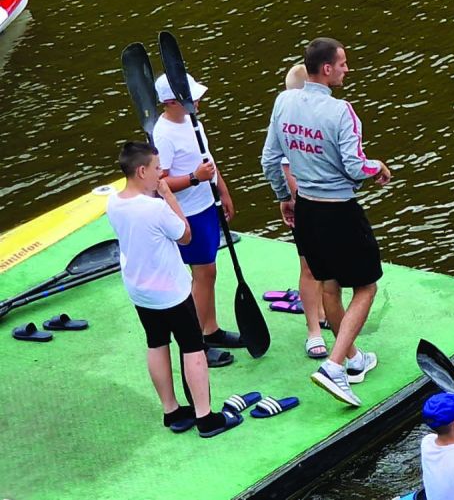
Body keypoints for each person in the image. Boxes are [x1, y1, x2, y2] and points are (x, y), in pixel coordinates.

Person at [261, 37, 391, 407]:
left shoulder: (284, 101)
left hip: (307, 210)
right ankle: (334, 367)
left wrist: (284, 197)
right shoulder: (341, 112)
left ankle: (353, 360)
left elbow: (270, 158)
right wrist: (377, 167)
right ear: (328, 69)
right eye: (344, 64)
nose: (348, 70)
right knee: (366, 288)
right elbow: (354, 166)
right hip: (339, 211)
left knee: (329, 288)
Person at [106, 141, 242, 438]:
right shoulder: (155, 208)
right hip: (170, 291)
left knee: (156, 343)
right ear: (142, 171)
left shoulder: (113, 203)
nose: (161, 175)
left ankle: (172, 411)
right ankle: (206, 417)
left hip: (139, 290)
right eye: (157, 169)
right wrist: (168, 195)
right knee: (193, 348)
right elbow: (185, 235)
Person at [151, 72, 243, 368]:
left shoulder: (194, 122)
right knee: (203, 275)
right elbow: (158, 183)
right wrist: (194, 179)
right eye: (191, 96)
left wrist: (223, 192)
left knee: (209, 272)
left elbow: (208, 161)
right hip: (186, 214)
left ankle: (211, 330)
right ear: (170, 102)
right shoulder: (163, 134)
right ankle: (196, 346)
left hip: (205, 206)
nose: (198, 99)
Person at [274, 63, 329, 360]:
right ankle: (314, 330)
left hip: (323, 203)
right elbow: (285, 170)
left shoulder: (317, 120)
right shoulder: (289, 124)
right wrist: (296, 201)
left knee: (324, 266)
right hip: (308, 206)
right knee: (309, 268)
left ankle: (322, 313)